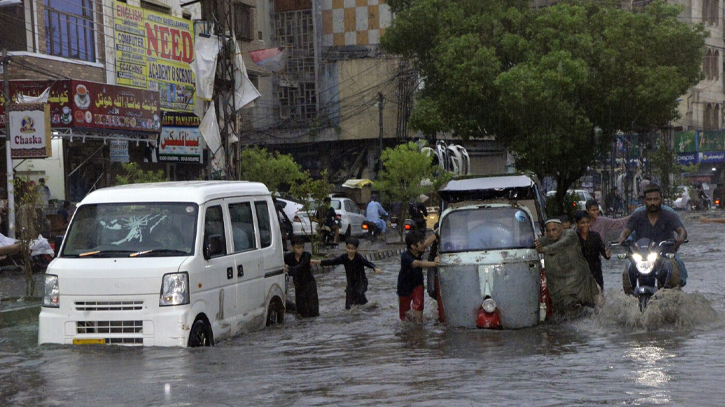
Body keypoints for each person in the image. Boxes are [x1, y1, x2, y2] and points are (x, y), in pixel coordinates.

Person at [617, 184, 687, 294]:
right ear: (645, 201)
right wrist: (622, 238)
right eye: (649, 199)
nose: (653, 202)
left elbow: (681, 230)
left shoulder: (669, 215)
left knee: (673, 276)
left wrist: (680, 237)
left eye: (656, 199)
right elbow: (626, 230)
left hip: (664, 255)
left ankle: (675, 302)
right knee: (627, 274)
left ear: (661, 200)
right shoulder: (637, 216)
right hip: (642, 256)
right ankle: (629, 302)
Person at [535, 218, 602, 313]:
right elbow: (534, 244)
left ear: (561, 228)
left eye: (554, 230)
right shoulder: (547, 240)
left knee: (590, 307)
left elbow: (561, 244)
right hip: (560, 286)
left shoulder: (570, 234)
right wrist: (536, 244)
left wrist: (544, 249)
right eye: (548, 231)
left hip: (579, 281)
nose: (551, 233)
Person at [311, 237, 381, 309]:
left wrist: (375, 268)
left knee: (359, 295)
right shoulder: (343, 258)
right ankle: (369, 308)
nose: (350, 251)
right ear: (346, 247)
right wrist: (317, 262)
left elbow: (368, 263)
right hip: (351, 284)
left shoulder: (359, 258)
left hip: (362, 282)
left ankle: (370, 309)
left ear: (357, 249)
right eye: (349, 248)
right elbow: (332, 262)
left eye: (353, 249)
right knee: (348, 307)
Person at [397, 230, 439, 322]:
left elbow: (427, 243)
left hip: (418, 284)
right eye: (420, 243)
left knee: (419, 306)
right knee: (405, 315)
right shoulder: (405, 256)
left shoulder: (419, 251)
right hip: (404, 287)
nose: (423, 244)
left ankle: (419, 326)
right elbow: (418, 263)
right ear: (413, 246)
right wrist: (434, 264)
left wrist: (436, 234)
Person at [283, 236, 319, 318]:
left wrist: (288, 269)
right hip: (298, 286)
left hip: (310, 286)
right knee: (301, 311)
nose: (301, 250)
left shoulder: (307, 255)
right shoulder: (289, 257)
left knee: (313, 311)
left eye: (302, 247)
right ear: (292, 248)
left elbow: (301, 267)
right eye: (298, 248)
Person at [574, 210, 611, 290]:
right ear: (577, 224)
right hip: (579, 275)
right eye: (582, 223)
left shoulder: (595, 236)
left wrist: (607, 254)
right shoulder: (573, 238)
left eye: (588, 222)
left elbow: (603, 249)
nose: (586, 225)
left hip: (595, 272)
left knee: (599, 297)